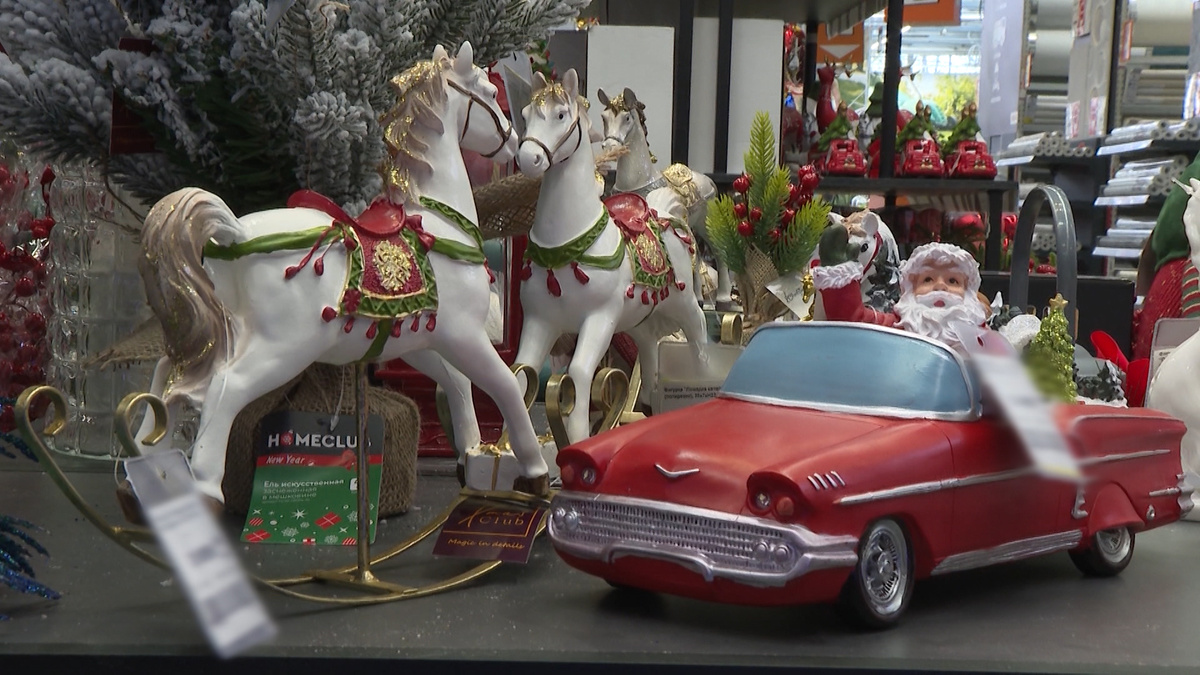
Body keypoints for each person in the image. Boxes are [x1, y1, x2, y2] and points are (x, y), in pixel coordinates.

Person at [813, 225, 1011, 356]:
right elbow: (855, 322)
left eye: (953, 281)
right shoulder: (900, 326)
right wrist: (840, 273)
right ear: (911, 291)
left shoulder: (982, 336)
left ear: (968, 293)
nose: (940, 286)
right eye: (927, 279)